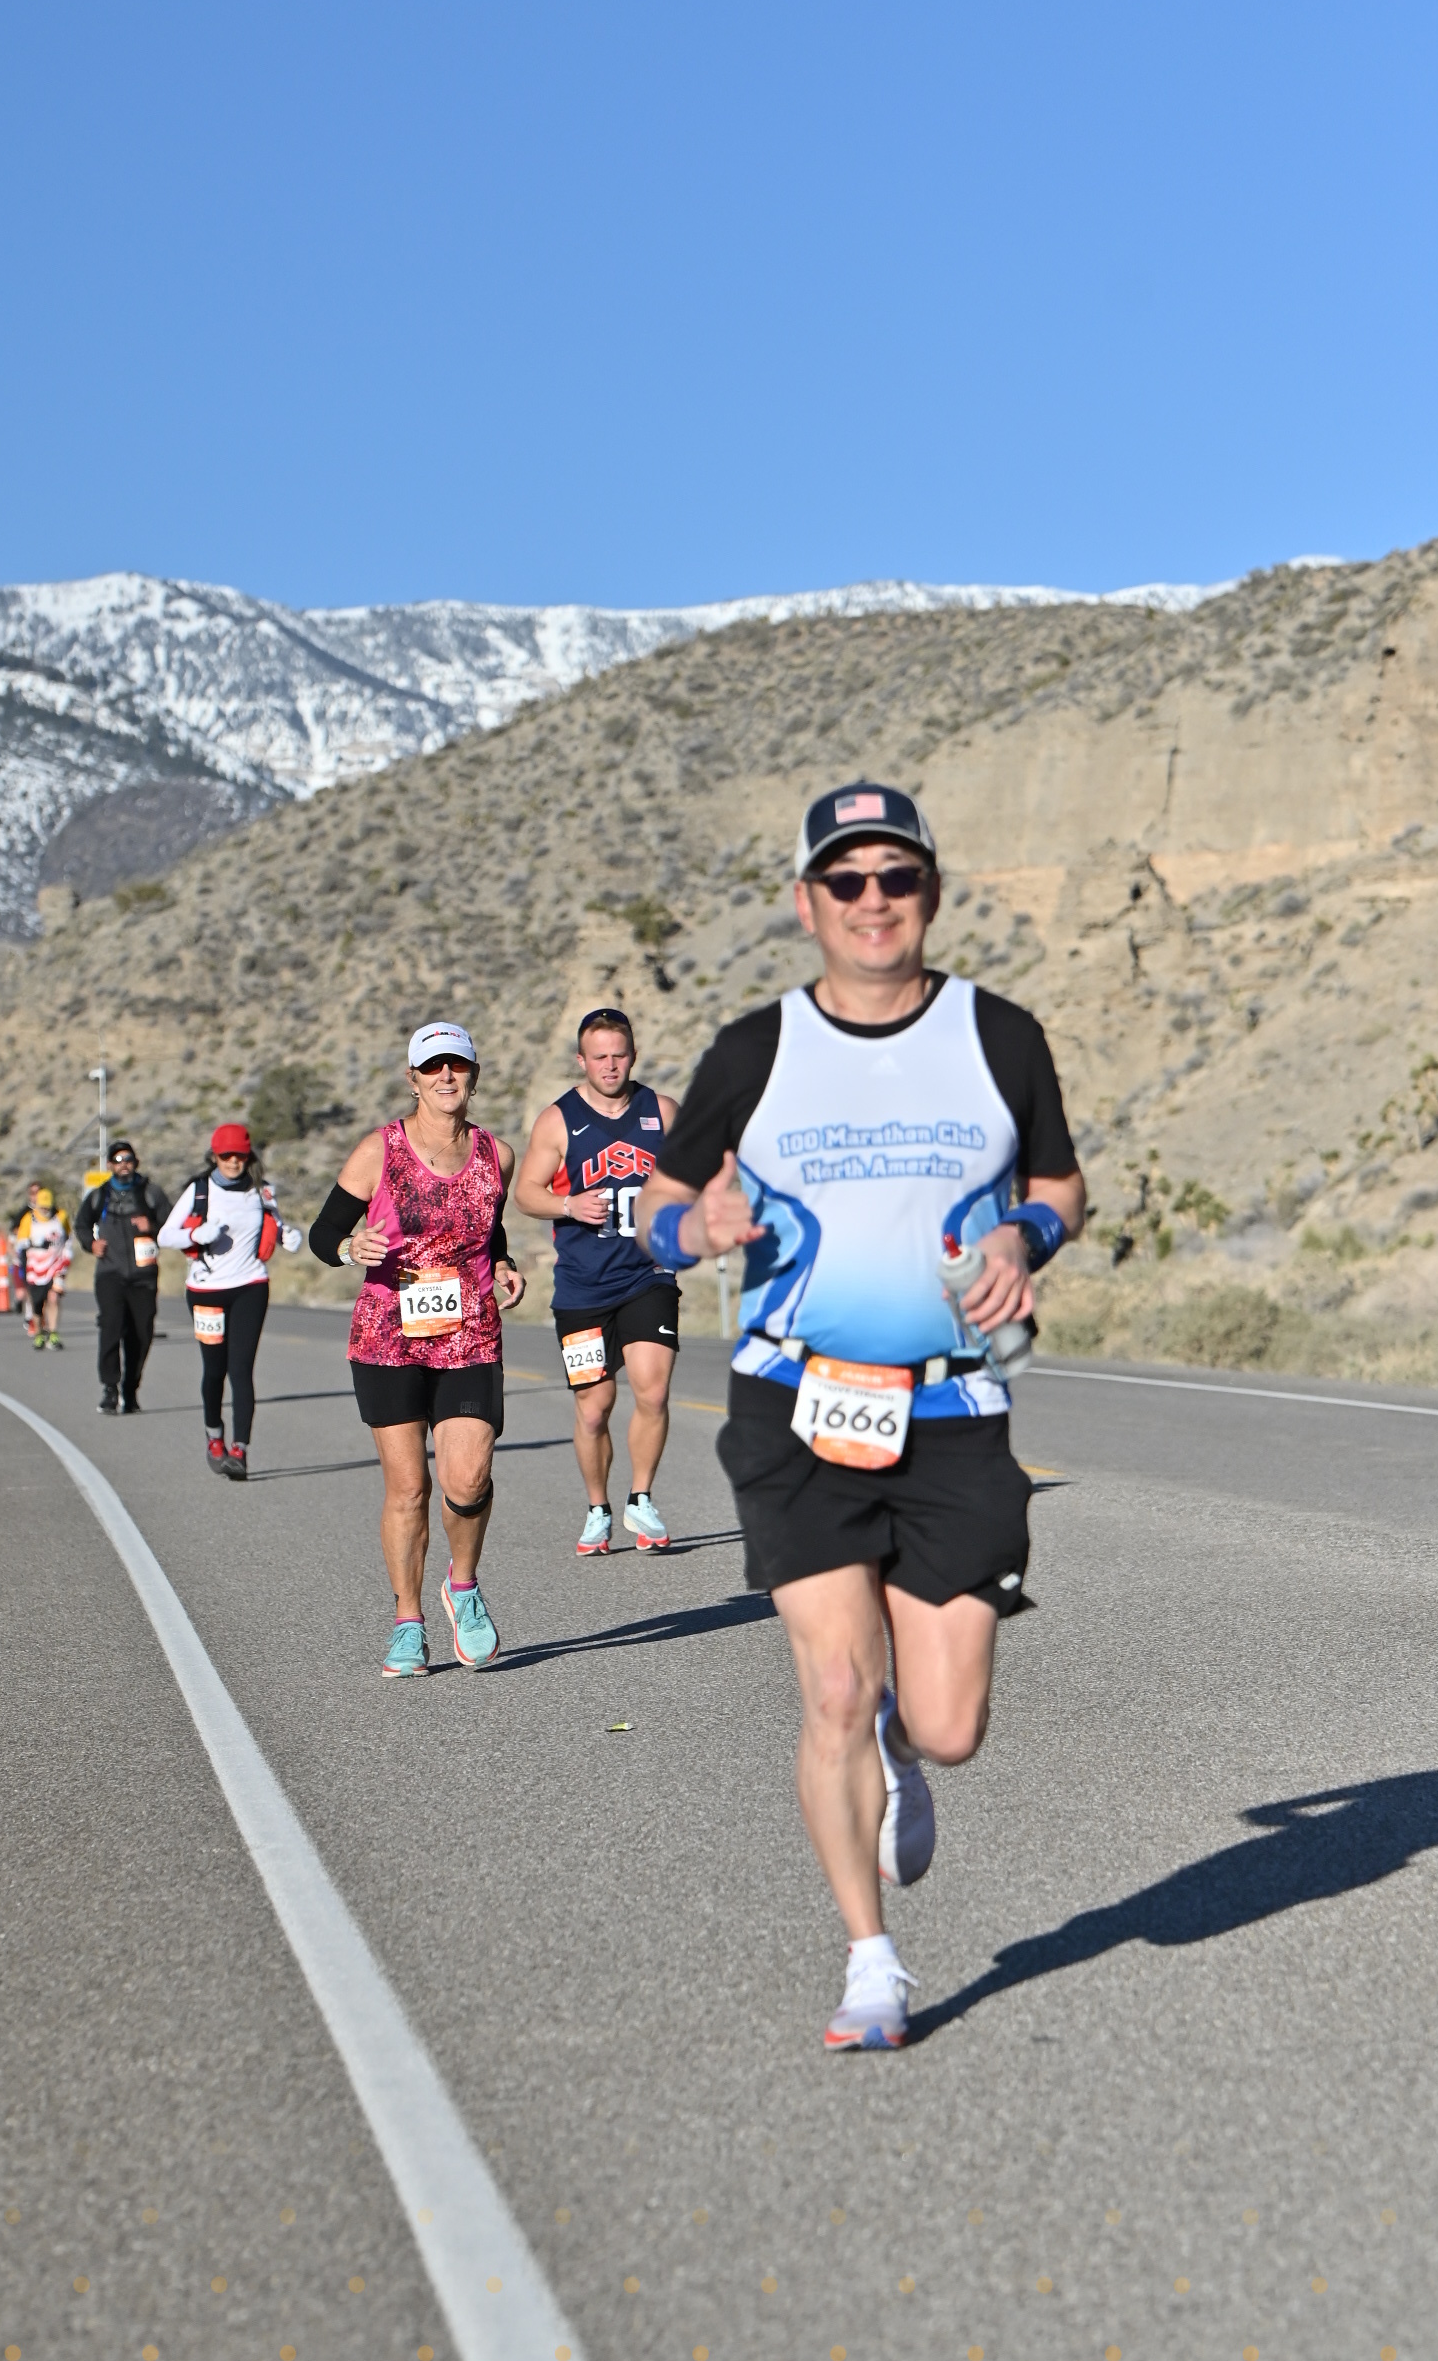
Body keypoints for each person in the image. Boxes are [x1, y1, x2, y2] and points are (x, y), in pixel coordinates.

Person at [640, 782, 1085, 2051]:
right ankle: (870, 1961)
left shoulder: (999, 1035)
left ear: (930, 894)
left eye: (897, 878)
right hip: (796, 1401)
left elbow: (1062, 1184)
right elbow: (661, 1209)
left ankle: (902, 1737)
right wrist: (696, 1225)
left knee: (948, 1725)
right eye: (847, 880)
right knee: (833, 1685)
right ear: (807, 903)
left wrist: (1026, 1231)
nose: (873, 901)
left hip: (953, 1407)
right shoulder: (754, 1052)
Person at [309, 1021, 525, 1675]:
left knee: (468, 1478)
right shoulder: (378, 1151)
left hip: (470, 1334)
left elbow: (487, 1227)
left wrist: (504, 1262)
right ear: (414, 1079)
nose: (445, 1076)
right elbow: (323, 1235)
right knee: (408, 1489)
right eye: (432, 1067)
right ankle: (408, 1621)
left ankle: (463, 1585)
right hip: (388, 1338)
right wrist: (351, 1247)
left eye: (456, 1065)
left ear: (473, 1075)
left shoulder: (497, 1155)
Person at [512, 1006, 683, 1556]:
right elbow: (526, 1193)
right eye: (599, 1056)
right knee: (594, 1407)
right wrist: (568, 1205)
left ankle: (640, 1498)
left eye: (619, 1055)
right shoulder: (557, 1120)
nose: (610, 1065)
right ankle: (598, 1509)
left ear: (633, 1056)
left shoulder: (662, 1111)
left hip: (647, 1275)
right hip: (582, 1287)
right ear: (581, 1060)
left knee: (653, 1388)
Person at [161, 1124, 299, 1478]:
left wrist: (288, 1236)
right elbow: (165, 1235)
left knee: (241, 1370)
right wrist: (195, 1234)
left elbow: (276, 1226)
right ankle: (214, 1436)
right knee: (214, 1369)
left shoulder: (262, 1191)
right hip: (206, 1291)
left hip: (251, 1286)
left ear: (248, 1156)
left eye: (239, 1155)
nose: (233, 1162)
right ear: (214, 1156)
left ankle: (240, 1450)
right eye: (226, 1156)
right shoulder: (199, 1190)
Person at [76, 1139, 173, 1414]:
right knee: (111, 1328)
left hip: (143, 1276)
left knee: (141, 1334)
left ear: (135, 1162)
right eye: (118, 1160)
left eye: (128, 1159)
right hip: (110, 1273)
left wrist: (151, 1226)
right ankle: (110, 1389)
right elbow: (81, 1225)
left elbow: (173, 1225)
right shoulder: (99, 1196)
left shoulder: (151, 1193)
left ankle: (130, 1389)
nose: (124, 1165)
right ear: (109, 1165)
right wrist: (91, 1244)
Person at [17, 1186, 73, 1351]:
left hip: (56, 1266)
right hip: (36, 1269)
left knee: (54, 1298)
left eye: (48, 1207)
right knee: (37, 1304)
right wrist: (35, 1243)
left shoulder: (61, 1216)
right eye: (42, 1207)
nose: (45, 1210)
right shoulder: (29, 1219)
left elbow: (69, 1237)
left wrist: (67, 1255)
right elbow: (20, 1242)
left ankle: (53, 1333)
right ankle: (39, 1334)